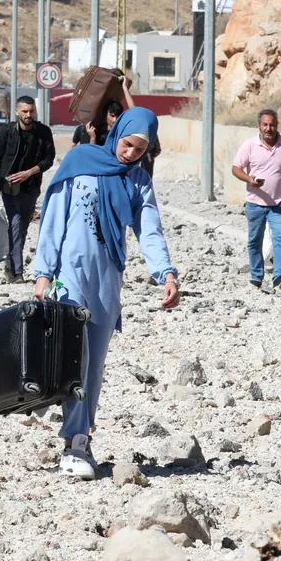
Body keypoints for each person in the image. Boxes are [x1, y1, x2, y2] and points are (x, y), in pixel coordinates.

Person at [34, 107, 180, 479]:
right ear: (118, 132)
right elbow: (54, 218)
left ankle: (81, 437)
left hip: (106, 281)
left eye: (138, 150)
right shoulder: (81, 162)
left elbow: (149, 230)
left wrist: (165, 272)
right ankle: (74, 442)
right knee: (75, 359)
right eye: (128, 144)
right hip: (69, 276)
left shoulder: (139, 181)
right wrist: (42, 274)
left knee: (94, 367)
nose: (129, 153)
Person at [231, 109, 281, 291]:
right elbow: (236, 168)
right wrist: (249, 179)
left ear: (276, 125)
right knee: (255, 240)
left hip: (279, 203)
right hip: (255, 203)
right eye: (265, 124)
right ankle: (256, 276)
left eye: (272, 124)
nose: (268, 128)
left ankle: (279, 277)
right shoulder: (249, 145)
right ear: (259, 126)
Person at [0, 95, 56, 282]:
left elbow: (49, 159)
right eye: (24, 111)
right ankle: (18, 272)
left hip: (31, 186)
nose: (28, 115)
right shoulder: (6, 132)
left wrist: (29, 172)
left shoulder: (43, 132)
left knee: (23, 226)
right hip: (9, 187)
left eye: (31, 111)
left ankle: (10, 265)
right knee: (15, 223)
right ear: (17, 111)